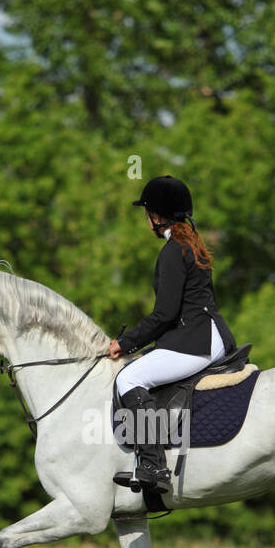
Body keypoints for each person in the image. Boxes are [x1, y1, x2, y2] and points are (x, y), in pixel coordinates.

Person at [108, 176, 237, 493]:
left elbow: (164, 314)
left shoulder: (172, 251)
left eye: (147, 213)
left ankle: (154, 466)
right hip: (212, 335)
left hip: (196, 341)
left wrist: (124, 342)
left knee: (128, 379)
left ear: (156, 216)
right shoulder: (192, 244)